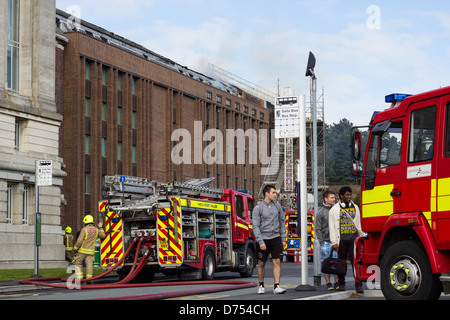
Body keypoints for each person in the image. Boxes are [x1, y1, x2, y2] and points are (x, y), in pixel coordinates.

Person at [252, 185, 287, 295]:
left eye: (275, 193)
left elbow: (282, 222)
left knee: (277, 261)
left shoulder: (278, 207)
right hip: (263, 238)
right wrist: (260, 241)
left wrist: (283, 238)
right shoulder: (258, 208)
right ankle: (261, 285)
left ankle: (276, 286)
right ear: (266, 193)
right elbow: (255, 226)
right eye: (273, 192)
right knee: (261, 263)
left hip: (275, 238)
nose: (275, 195)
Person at [329, 186, 364, 293]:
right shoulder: (334, 210)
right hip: (341, 241)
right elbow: (332, 227)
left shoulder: (355, 207)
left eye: (350, 195)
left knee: (356, 263)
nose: (349, 197)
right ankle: (341, 284)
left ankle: (358, 285)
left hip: (354, 240)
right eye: (347, 195)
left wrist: (362, 237)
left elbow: (359, 223)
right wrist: (334, 242)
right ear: (341, 196)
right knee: (341, 263)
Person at [315, 190, 339, 290]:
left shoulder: (337, 210)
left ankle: (337, 282)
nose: (334, 199)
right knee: (326, 264)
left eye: (334, 198)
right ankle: (328, 283)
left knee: (336, 263)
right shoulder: (320, 213)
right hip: (325, 242)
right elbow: (318, 228)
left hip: (336, 242)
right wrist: (322, 242)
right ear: (326, 199)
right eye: (332, 198)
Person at [73, 215, 106, 280]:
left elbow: (79, 241)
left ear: (85, 221)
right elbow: (103, 236)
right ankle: (89, 279)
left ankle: (79, 278)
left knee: (78, 262)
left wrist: (75, 248)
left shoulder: (84, 229)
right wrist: (100, 228)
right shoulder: (96, 230)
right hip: (91, 251)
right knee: (89, 265)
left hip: (82, 251)